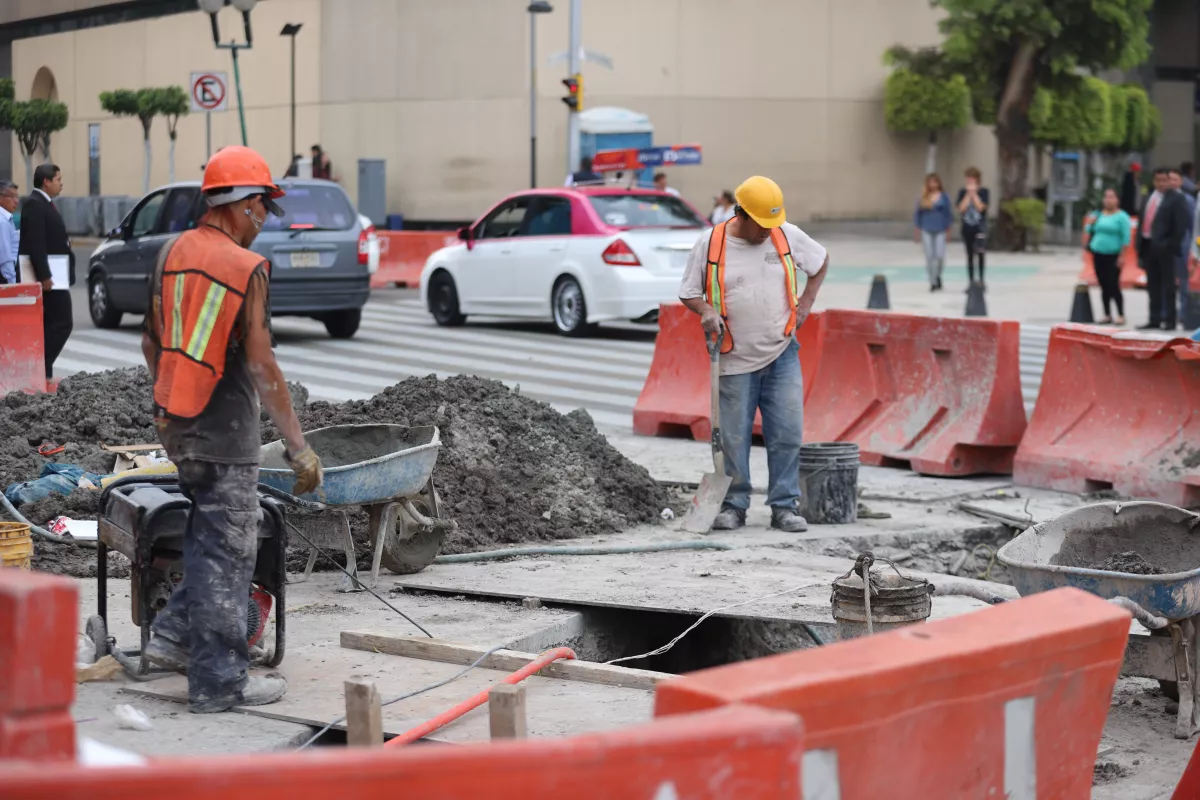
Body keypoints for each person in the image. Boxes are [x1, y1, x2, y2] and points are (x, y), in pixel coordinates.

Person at [139, 145, 324, 714]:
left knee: (205, 538)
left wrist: (175, 396)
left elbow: (151, 341)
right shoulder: (245, 269)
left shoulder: (173, 253)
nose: (264, 219)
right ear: (240, 205)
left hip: (178, 423)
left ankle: (172, 638)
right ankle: (219, 682)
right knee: (229, 554)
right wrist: (298, 448)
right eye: (263, 206)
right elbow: (264, 366)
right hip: (226, 432)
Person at [679, 175, 828, 533]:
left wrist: (806, 303)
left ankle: (784, 506)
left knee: (787, 434)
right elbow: (688, 291)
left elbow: (820, 262)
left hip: (782, 353)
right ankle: (734, 505)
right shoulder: (711, 243)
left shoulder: (785, 234)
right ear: (741, 214)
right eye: (761, 225)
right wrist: (706, 311)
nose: (767, 232)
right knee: (732, 438)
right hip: (733, 359)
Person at [19, 163, 73, 380]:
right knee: (62, 323)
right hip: (49, 279)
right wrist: (44, 276)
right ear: (46, 181)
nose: (61, 184)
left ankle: (43, 370)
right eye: (58, 179)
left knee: (51, 324)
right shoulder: (35, 204)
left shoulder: (44, 204)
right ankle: (40, 363)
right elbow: (36, 244)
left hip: (56, 275)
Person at [1138, 167, 1191, 330]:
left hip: (1166, 248)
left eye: (1164, 180)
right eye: (1158, 180)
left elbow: (1181, 226)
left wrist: (1170, 244)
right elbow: (1143, 220)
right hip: (1148, 245)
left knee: (1168, 285)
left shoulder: (1176, 198)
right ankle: (1154, 318)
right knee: (1152, 285)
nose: (1161, 184)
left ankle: (1169, 320)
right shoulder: (1149, 197)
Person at [1084, 188, 1131, 325]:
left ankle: (1121, 314)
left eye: (1111, 197)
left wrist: (1122, 256)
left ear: (1117, 200)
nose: (1108, 200)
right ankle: (1107, 314)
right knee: (1103, 284)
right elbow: (1089, 230)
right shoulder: (1098, 214)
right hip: (1098, 252)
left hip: (1114, 254)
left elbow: (1126, 238)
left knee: (1113, 284)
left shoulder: (1122, 216)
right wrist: (1090, 221)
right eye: (1106, 197)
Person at [912, 173, 953, 292]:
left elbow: (948, 214)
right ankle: (932, 281)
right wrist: (917, 230)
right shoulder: (923, 197)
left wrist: (948, 229)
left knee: (939, 256)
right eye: (930, 182)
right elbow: (917, 214)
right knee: (929, 256)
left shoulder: (944, 197)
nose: (933, 185)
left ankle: (938, 275)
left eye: (935, 182)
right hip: (926, 228)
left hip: (940, 229)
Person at [956, 167, 989, 288]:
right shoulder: (962, 192)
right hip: (967, 227)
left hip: (979, 227)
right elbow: (961, 208)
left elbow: (981, 207)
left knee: (980, 253)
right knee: (969, 255)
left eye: (972, 179)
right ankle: (970, 281)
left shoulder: (984, 192)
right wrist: (967, 196)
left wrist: (974, 195)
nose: (969, 181)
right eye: (968, 179)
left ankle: (981, 279)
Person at [1173, 168, 1198, 324]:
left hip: (1186, 246)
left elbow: (1192, 226)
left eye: (1175, 179)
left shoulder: (1188, 200)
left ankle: (1184, 312)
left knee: (1184, 283)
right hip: (1172, 247)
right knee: (1173, 282)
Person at [0, 182, 18, 285]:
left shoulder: (7, 219)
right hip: (4, 278)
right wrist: (12, 283)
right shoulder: (2, 222)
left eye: (17, 197)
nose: (16, 201)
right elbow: (5, 259)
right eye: (12, 197)